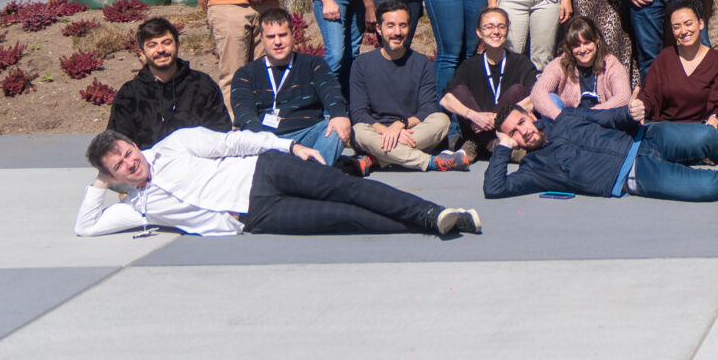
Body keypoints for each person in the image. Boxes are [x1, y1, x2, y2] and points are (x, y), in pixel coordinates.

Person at [76, 128, 480, 238]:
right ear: (113, 177)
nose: (131, 164)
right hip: (256, 216)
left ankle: (433, 213)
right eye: (119, 167)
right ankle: (445, 222)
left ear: (134, 144)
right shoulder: (136, 208)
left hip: (265, 171)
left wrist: (288, 147)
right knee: (344, 218)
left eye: (129, 152)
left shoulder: (174, 145)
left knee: (349, 189)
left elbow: (234, 142)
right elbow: (86, 226)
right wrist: (98, 183)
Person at [485, 98, 718, 201]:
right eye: (513, 133)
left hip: (645, 138)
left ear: (530, 115)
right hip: (636, 174)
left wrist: (628, 113)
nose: (523, 131)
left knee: (705, 138)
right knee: (707, 188)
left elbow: (605, 117)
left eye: (521, 123)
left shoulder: (565, 118)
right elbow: (494, 189)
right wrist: (502, 148)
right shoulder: (534, 170)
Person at [348, 0, 463, 172]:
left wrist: (399, 125)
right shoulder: (362, 64)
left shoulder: (422, 63)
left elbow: (428, 108)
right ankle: (430, 162)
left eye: (402, 25)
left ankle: (377, 158)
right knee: (358, 131)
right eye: (391, 26)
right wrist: (385, 131)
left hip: (410, 130)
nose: (397, 32)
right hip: (374, 131)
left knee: (441, 121)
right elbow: (358, 113)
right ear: (379, 29)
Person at [227, 6, 352, 164]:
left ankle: (308, 177)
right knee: (248, 138)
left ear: (293, 35)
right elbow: (244, 113)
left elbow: (331, 92)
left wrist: (339, 114)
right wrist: (273, 143)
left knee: (335, 129)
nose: (277, 41)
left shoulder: (313, 64)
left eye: (283, 35)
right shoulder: (245, 74)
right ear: (262, 39)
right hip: (268, 139)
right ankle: (314, 177)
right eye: (271, 36)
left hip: (308, 134)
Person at [107, 16, 230, 148]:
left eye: (166, 42)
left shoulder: (202, 85)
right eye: (152, 45)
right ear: (142, 53)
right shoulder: (129, 94)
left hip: (197, 163)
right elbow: (117, 145)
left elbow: (220, 134)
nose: (160, 50)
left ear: (178, 46)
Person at [439, 7, 535, 160]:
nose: (495, 32)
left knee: (518, 90)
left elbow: (535, 98)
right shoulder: (469, 65)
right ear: (479, 32)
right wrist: (474, 116)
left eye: (501, 26)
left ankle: (477, 143)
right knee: (459, 91)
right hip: (474, 126)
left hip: (505, 132)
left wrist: (497, 118)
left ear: (507, 30)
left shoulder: (521, 62)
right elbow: (445, 99)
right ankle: (493, 145)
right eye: (489, 27)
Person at [638, 1, 718, 126]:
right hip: (667, 129)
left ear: (701, 24)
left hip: (702, 130)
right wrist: (640, 107)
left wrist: (715, 119)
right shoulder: (664, 58)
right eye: (676, 27)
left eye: (688, 24)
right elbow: (649, 96)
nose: (683, 31)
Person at [529, 13, 632, 119]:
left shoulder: (610, 63)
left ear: (597, 40)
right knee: (551, 98)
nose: (582, 50)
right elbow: (538, 92)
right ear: (569, 47)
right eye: (577, 45)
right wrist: (559, 116)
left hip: (602, 119)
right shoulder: (560, 64)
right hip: (568, 123)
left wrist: (589, 115)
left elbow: (623, 97)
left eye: (587, 43)